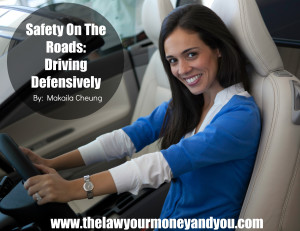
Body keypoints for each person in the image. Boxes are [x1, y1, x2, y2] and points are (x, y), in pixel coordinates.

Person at [22, 4, 261, 229]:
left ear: (218, 49)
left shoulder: (239, 117)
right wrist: (51, 163)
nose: (182, 70)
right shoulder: (191, 103)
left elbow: (160, 164)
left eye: (191, 54)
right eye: (173, 60)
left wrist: (73, 189)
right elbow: (127, 138)